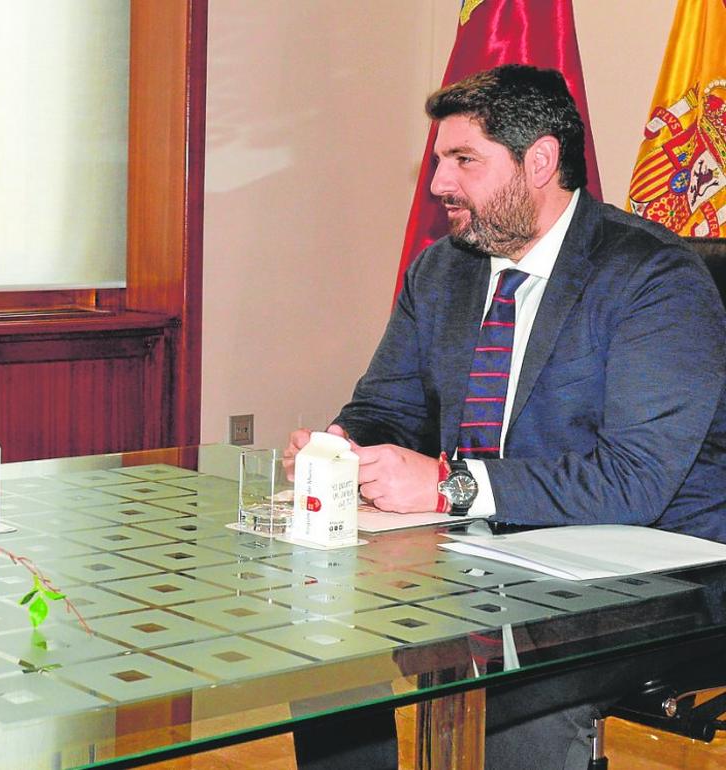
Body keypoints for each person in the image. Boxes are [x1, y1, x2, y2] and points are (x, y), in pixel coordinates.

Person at [284, 65, 726, 768]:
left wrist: (448, 485)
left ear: (540, 160)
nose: (438, 184)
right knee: (329, 646)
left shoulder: (653, 278)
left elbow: (636, 480)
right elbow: (385, 408)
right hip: (491, 556)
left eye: (464, 160)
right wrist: (344, 449)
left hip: (664, 574)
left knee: (517, 685)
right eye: (438, 161)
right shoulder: (443, 270)